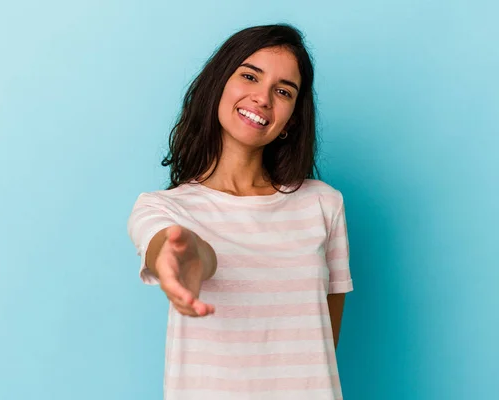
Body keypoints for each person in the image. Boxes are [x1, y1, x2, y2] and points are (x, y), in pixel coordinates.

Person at [127, 23, 353, 400]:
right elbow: (178, 248)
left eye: (283, 91)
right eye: (249, 76)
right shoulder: (163, 208)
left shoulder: (323, 204)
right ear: (219, 85)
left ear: (292, 119)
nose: (263, 98)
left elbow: (323, 347)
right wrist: (178, 260)